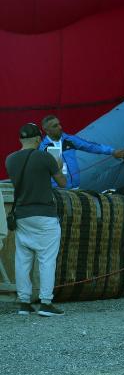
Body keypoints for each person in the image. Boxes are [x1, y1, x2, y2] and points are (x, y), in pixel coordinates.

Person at [5, 123, 67, 316]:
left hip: (22, 215)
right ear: (39, 139)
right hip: (45, 215)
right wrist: (57, 163)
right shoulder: (45, 157)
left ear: (20, 139)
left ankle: (24, 303)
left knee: (23, 260)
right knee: (47, 259)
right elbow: (63, 183)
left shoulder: (10, 160)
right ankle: (46, 303)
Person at [39, 115, 124, 189]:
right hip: (57, 191)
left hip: (75, 188)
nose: (60, 127)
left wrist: (112, 151)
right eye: (55, 126)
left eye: (59, 124)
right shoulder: (43, 148)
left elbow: (91, 146)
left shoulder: (69, 139)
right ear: (47, 131)